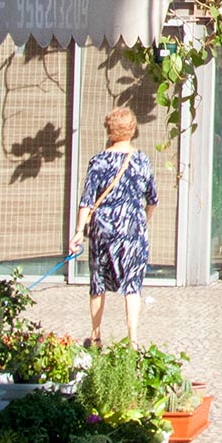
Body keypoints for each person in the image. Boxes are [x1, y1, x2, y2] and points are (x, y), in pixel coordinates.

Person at [69, 105, 160, 348]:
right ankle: (133, 340)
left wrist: (79, 231)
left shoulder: (98, 161)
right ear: (133, 130)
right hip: (133, 230)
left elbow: (87, 200)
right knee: (132, 285)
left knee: (98, 282)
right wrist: (142, 220)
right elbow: (153, 199)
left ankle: (96, 335)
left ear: (110, 130)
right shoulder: (141, 161)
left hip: (103, 230)